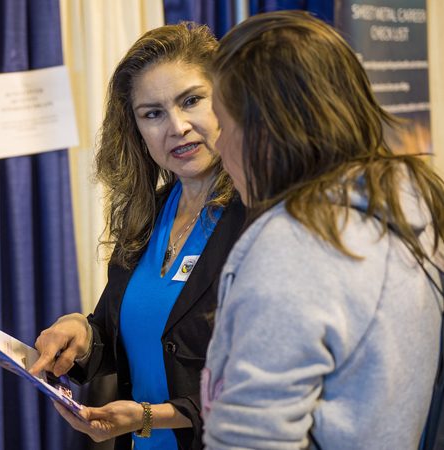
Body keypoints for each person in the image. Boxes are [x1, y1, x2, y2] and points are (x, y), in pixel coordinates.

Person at [203, 10, 444, 449]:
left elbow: (251, 440)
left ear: (269, 132)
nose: (218, 147)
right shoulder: (406, 201)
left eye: (225, 125)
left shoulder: (296, 246)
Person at [28, 23, 245, 450]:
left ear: (227, 100)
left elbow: (271, 382)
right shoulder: (146, 216)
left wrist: (149, 416)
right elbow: (124, 337)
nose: (177, 126)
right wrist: (83, 334)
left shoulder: (259, 217)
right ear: (137, 131)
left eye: (191, 101)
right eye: (153, 113)